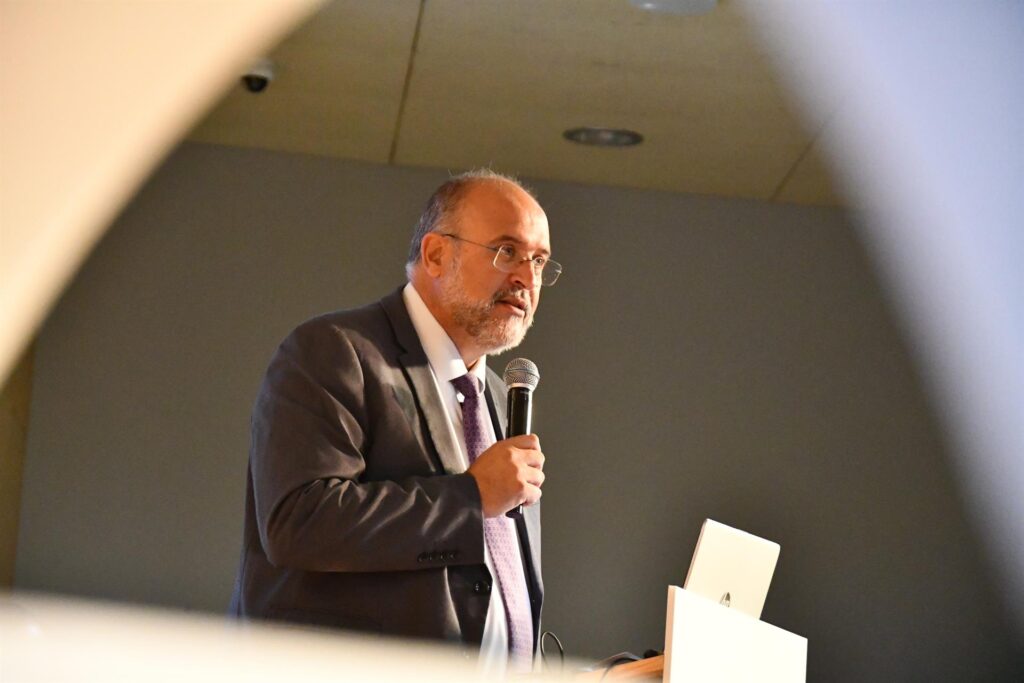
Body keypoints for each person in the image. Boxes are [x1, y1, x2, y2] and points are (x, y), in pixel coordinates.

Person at [228, 169, 561, 676]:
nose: (526, 279)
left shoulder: (499, 396)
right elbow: (299, 523)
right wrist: (471, 498)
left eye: (538, 261)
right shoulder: (335, 352)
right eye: (506, 251)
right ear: (436, 255)